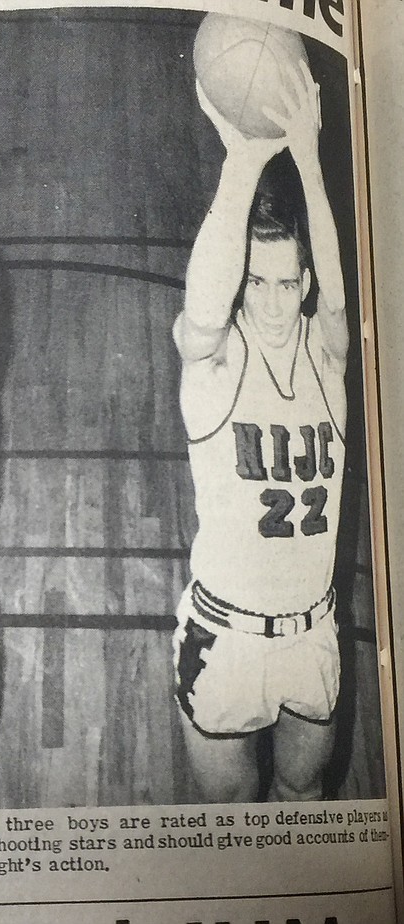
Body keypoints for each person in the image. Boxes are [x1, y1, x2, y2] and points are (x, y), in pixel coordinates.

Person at [173, 60, 348, 802]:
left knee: (304, 805)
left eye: (287, 283)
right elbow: (202, 313)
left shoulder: (327, 356)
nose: (273, 302)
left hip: (313, 632)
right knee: (231, 826)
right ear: (240, 287)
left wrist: (307, 154)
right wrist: (243, 163)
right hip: (227, 639)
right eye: (256, 283)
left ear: (303, 285)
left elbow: (341, 305)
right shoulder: (215, 365)